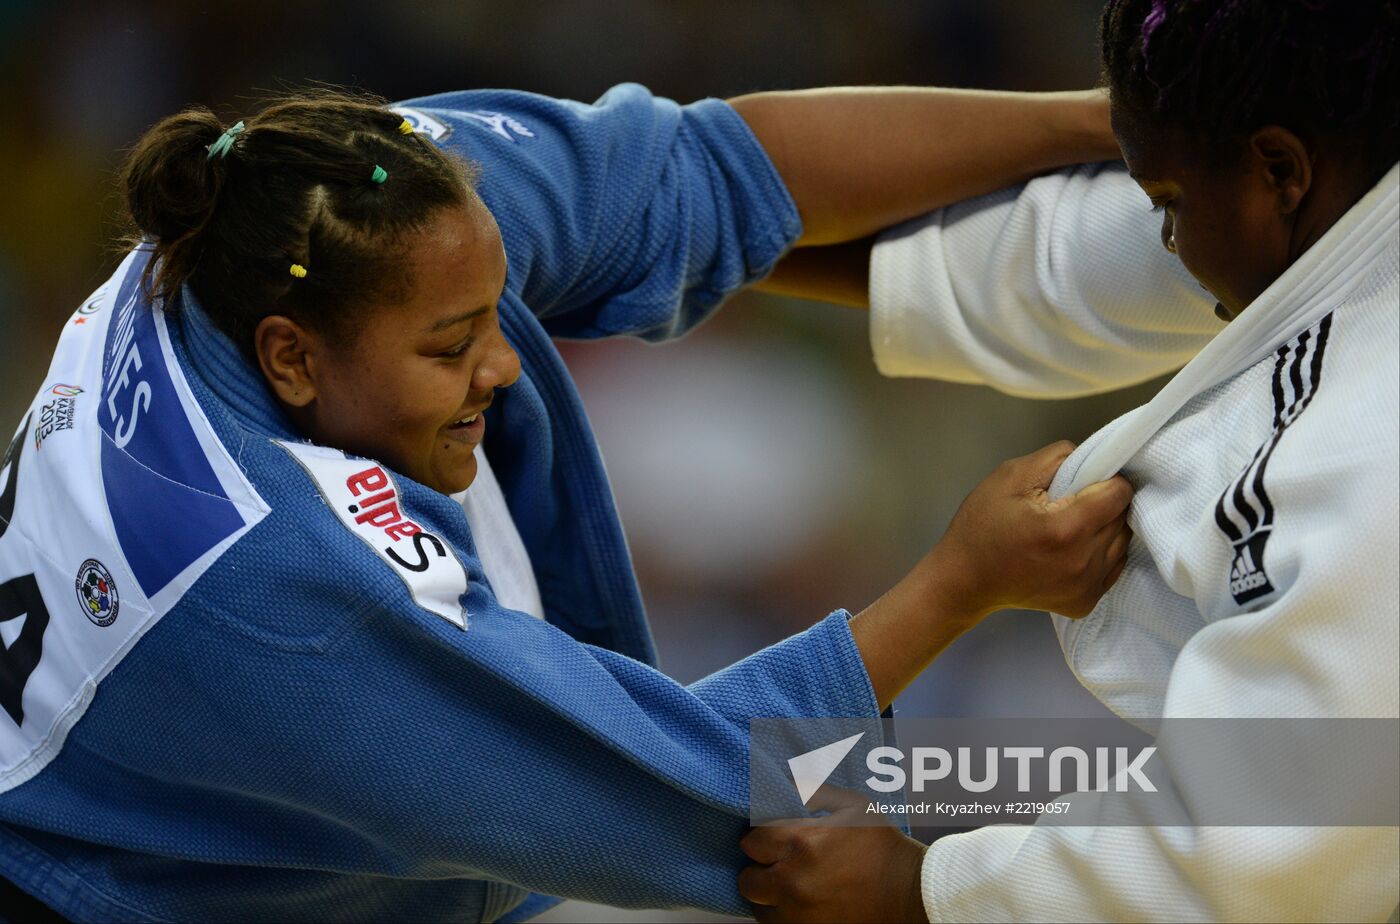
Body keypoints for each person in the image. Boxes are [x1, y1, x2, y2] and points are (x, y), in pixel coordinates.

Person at [0, 84, 1132, 920]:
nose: (503, 363)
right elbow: (710, 791)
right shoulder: (282, 590)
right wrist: (961, 584)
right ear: (291, 359)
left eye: (495, 311)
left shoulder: (334, 211)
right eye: (451, 347)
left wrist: (1100, 120)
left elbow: (711, 168)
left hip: (489, 758)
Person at [739, 1, 1400, 921]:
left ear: (1281, 168)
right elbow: (1020, 264)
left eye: (1167, 204)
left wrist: (913, 889)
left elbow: (1271, 846)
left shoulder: (1365, 431)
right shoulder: (1340, 214)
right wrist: (648, 229)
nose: (1167, 241)